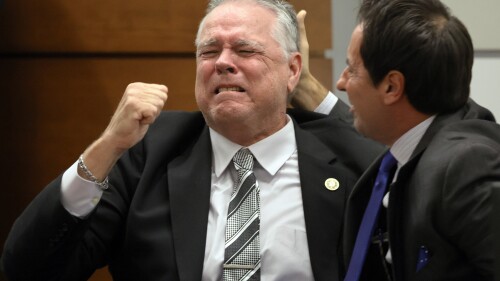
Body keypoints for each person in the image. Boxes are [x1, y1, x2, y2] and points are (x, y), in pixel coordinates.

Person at [1, 0, 382, 280]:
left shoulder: (345, 157)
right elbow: (27, 269)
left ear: (293, 69)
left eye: (245, 50)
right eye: (209, 51)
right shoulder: (149, 152)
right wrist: (107, 147)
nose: (222, 62)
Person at [331, 0, 500, 280]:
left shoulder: (468, 164)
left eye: (352, 70)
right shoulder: (410, 151)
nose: (341, 83)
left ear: (392, 86)